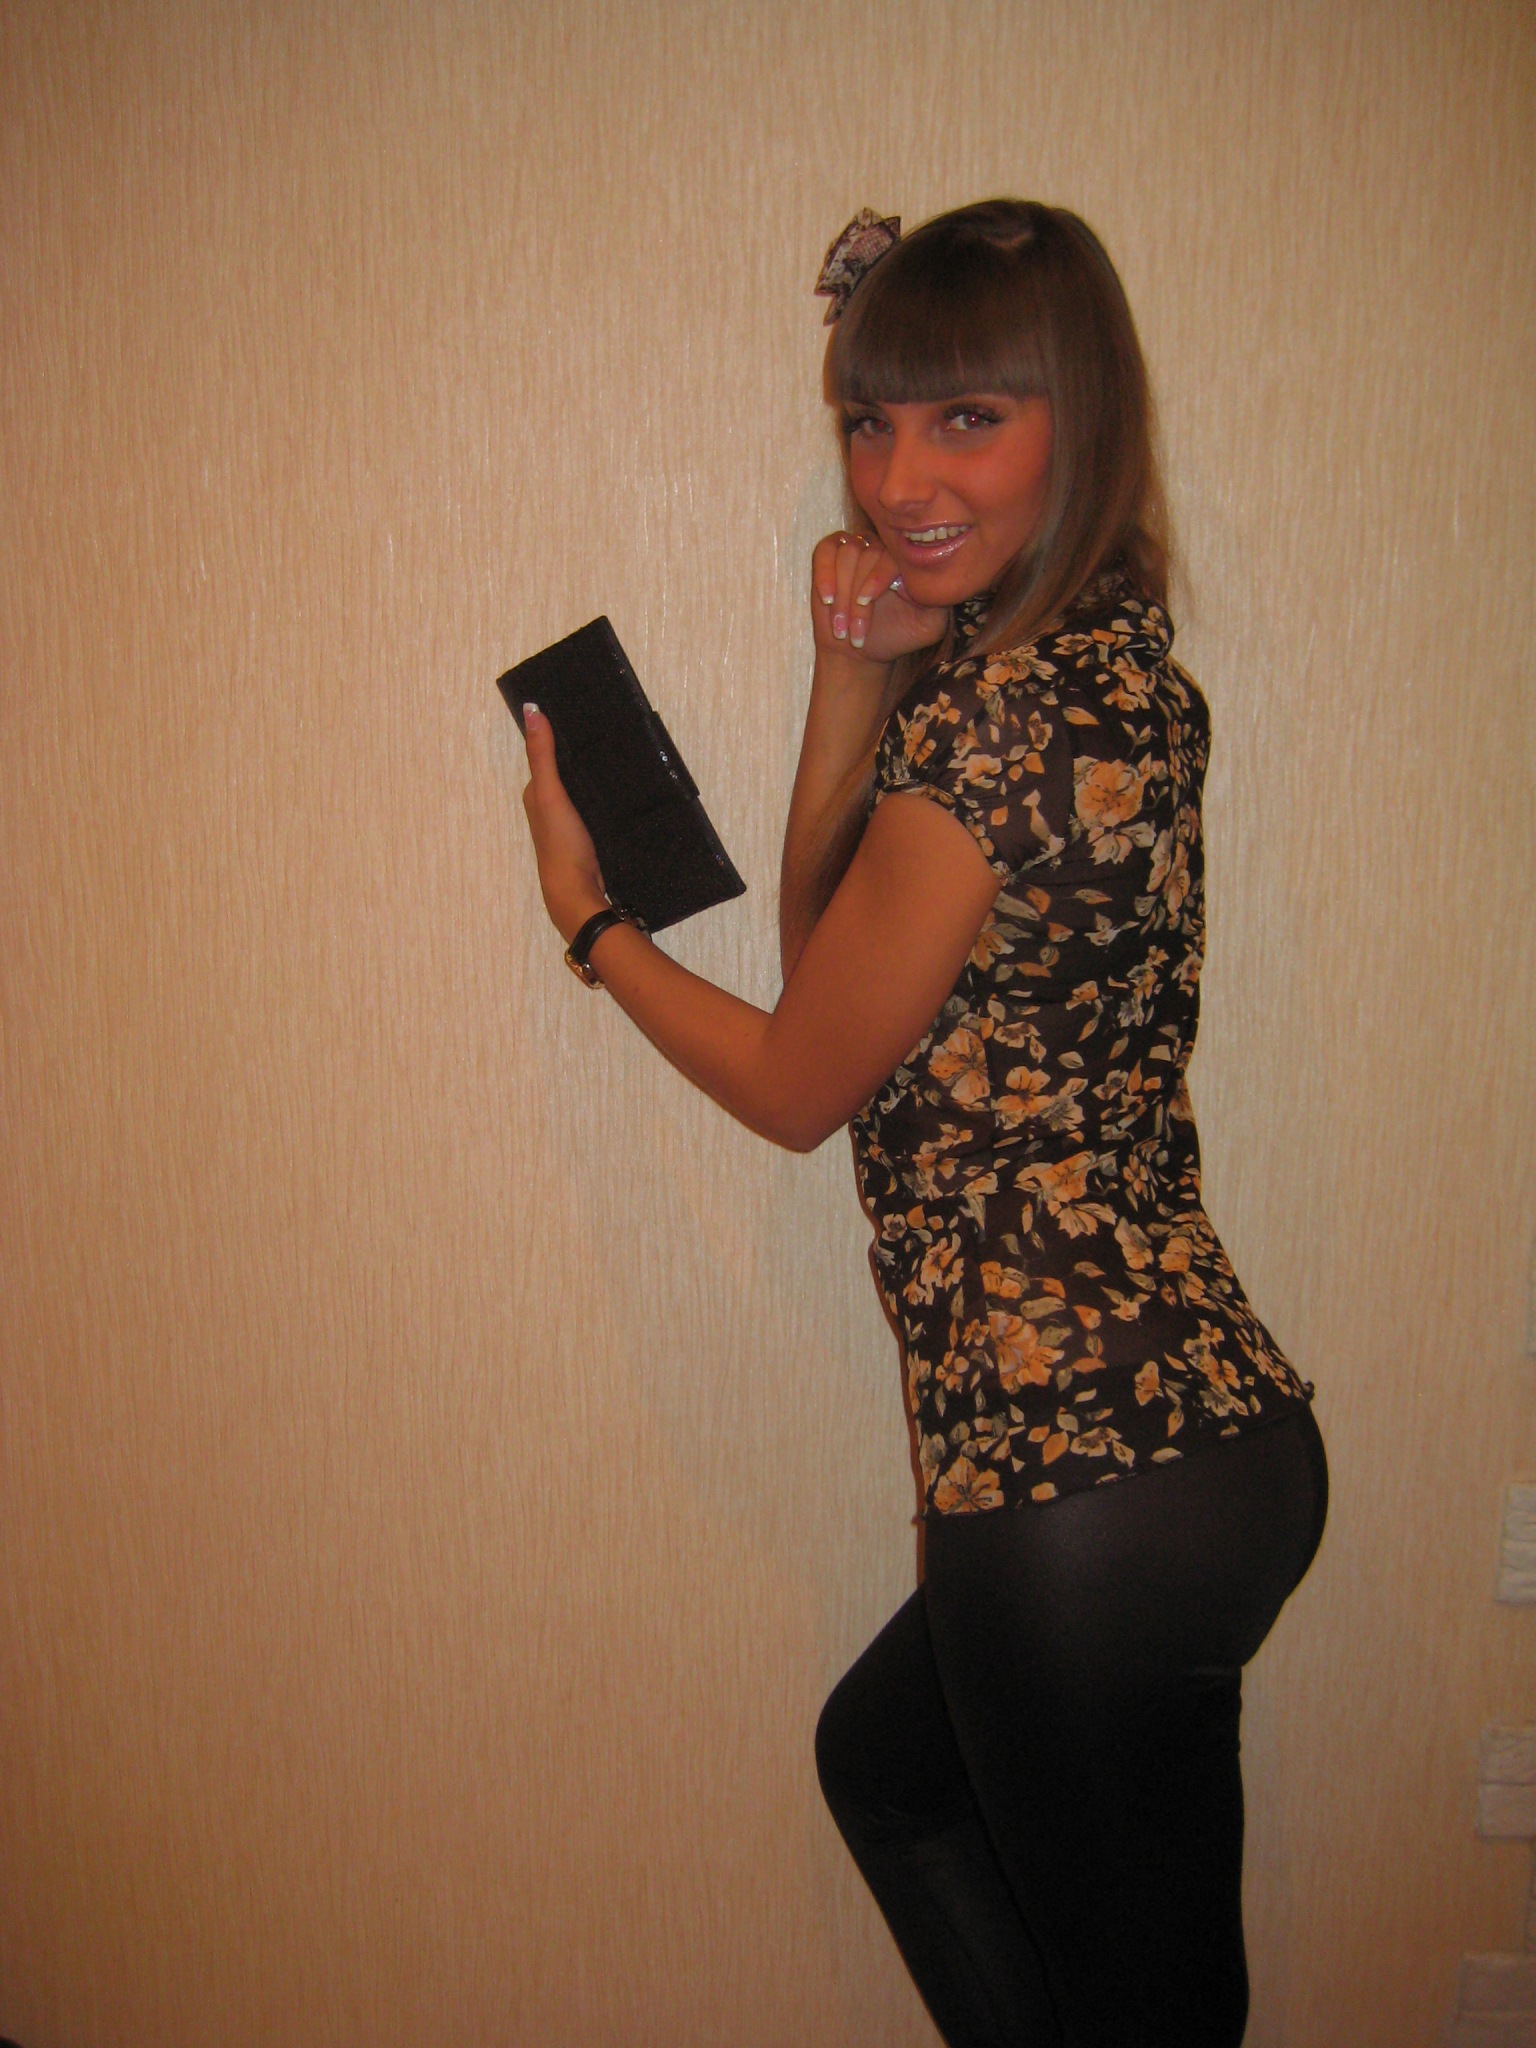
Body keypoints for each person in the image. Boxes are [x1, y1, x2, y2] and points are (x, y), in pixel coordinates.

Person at [517, 198, 1327, 2048]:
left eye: (968, 417)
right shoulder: (1118, 671)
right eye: (870, 422)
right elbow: (841, 984)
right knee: (888, 1775)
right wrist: (853, 672)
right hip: (1191, 1439)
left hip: (1072, 1479)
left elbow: (799, 1083)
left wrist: (591, 926)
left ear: (1078, 416)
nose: (899, 480)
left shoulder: (1009, 722)